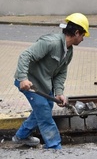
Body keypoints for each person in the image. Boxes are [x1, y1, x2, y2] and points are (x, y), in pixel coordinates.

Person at [12, 13, 90, 149]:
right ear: (77, 33)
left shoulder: (69, 51)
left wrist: (59, 92)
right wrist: (23, 78)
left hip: (43, 85)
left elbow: (61, 73)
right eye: (83, 35)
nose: (83, 39)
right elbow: (25, 55)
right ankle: (55, 148)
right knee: (44, 114)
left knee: (45, 107)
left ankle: (21, 136)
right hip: (29, 83)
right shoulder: (51, 42)